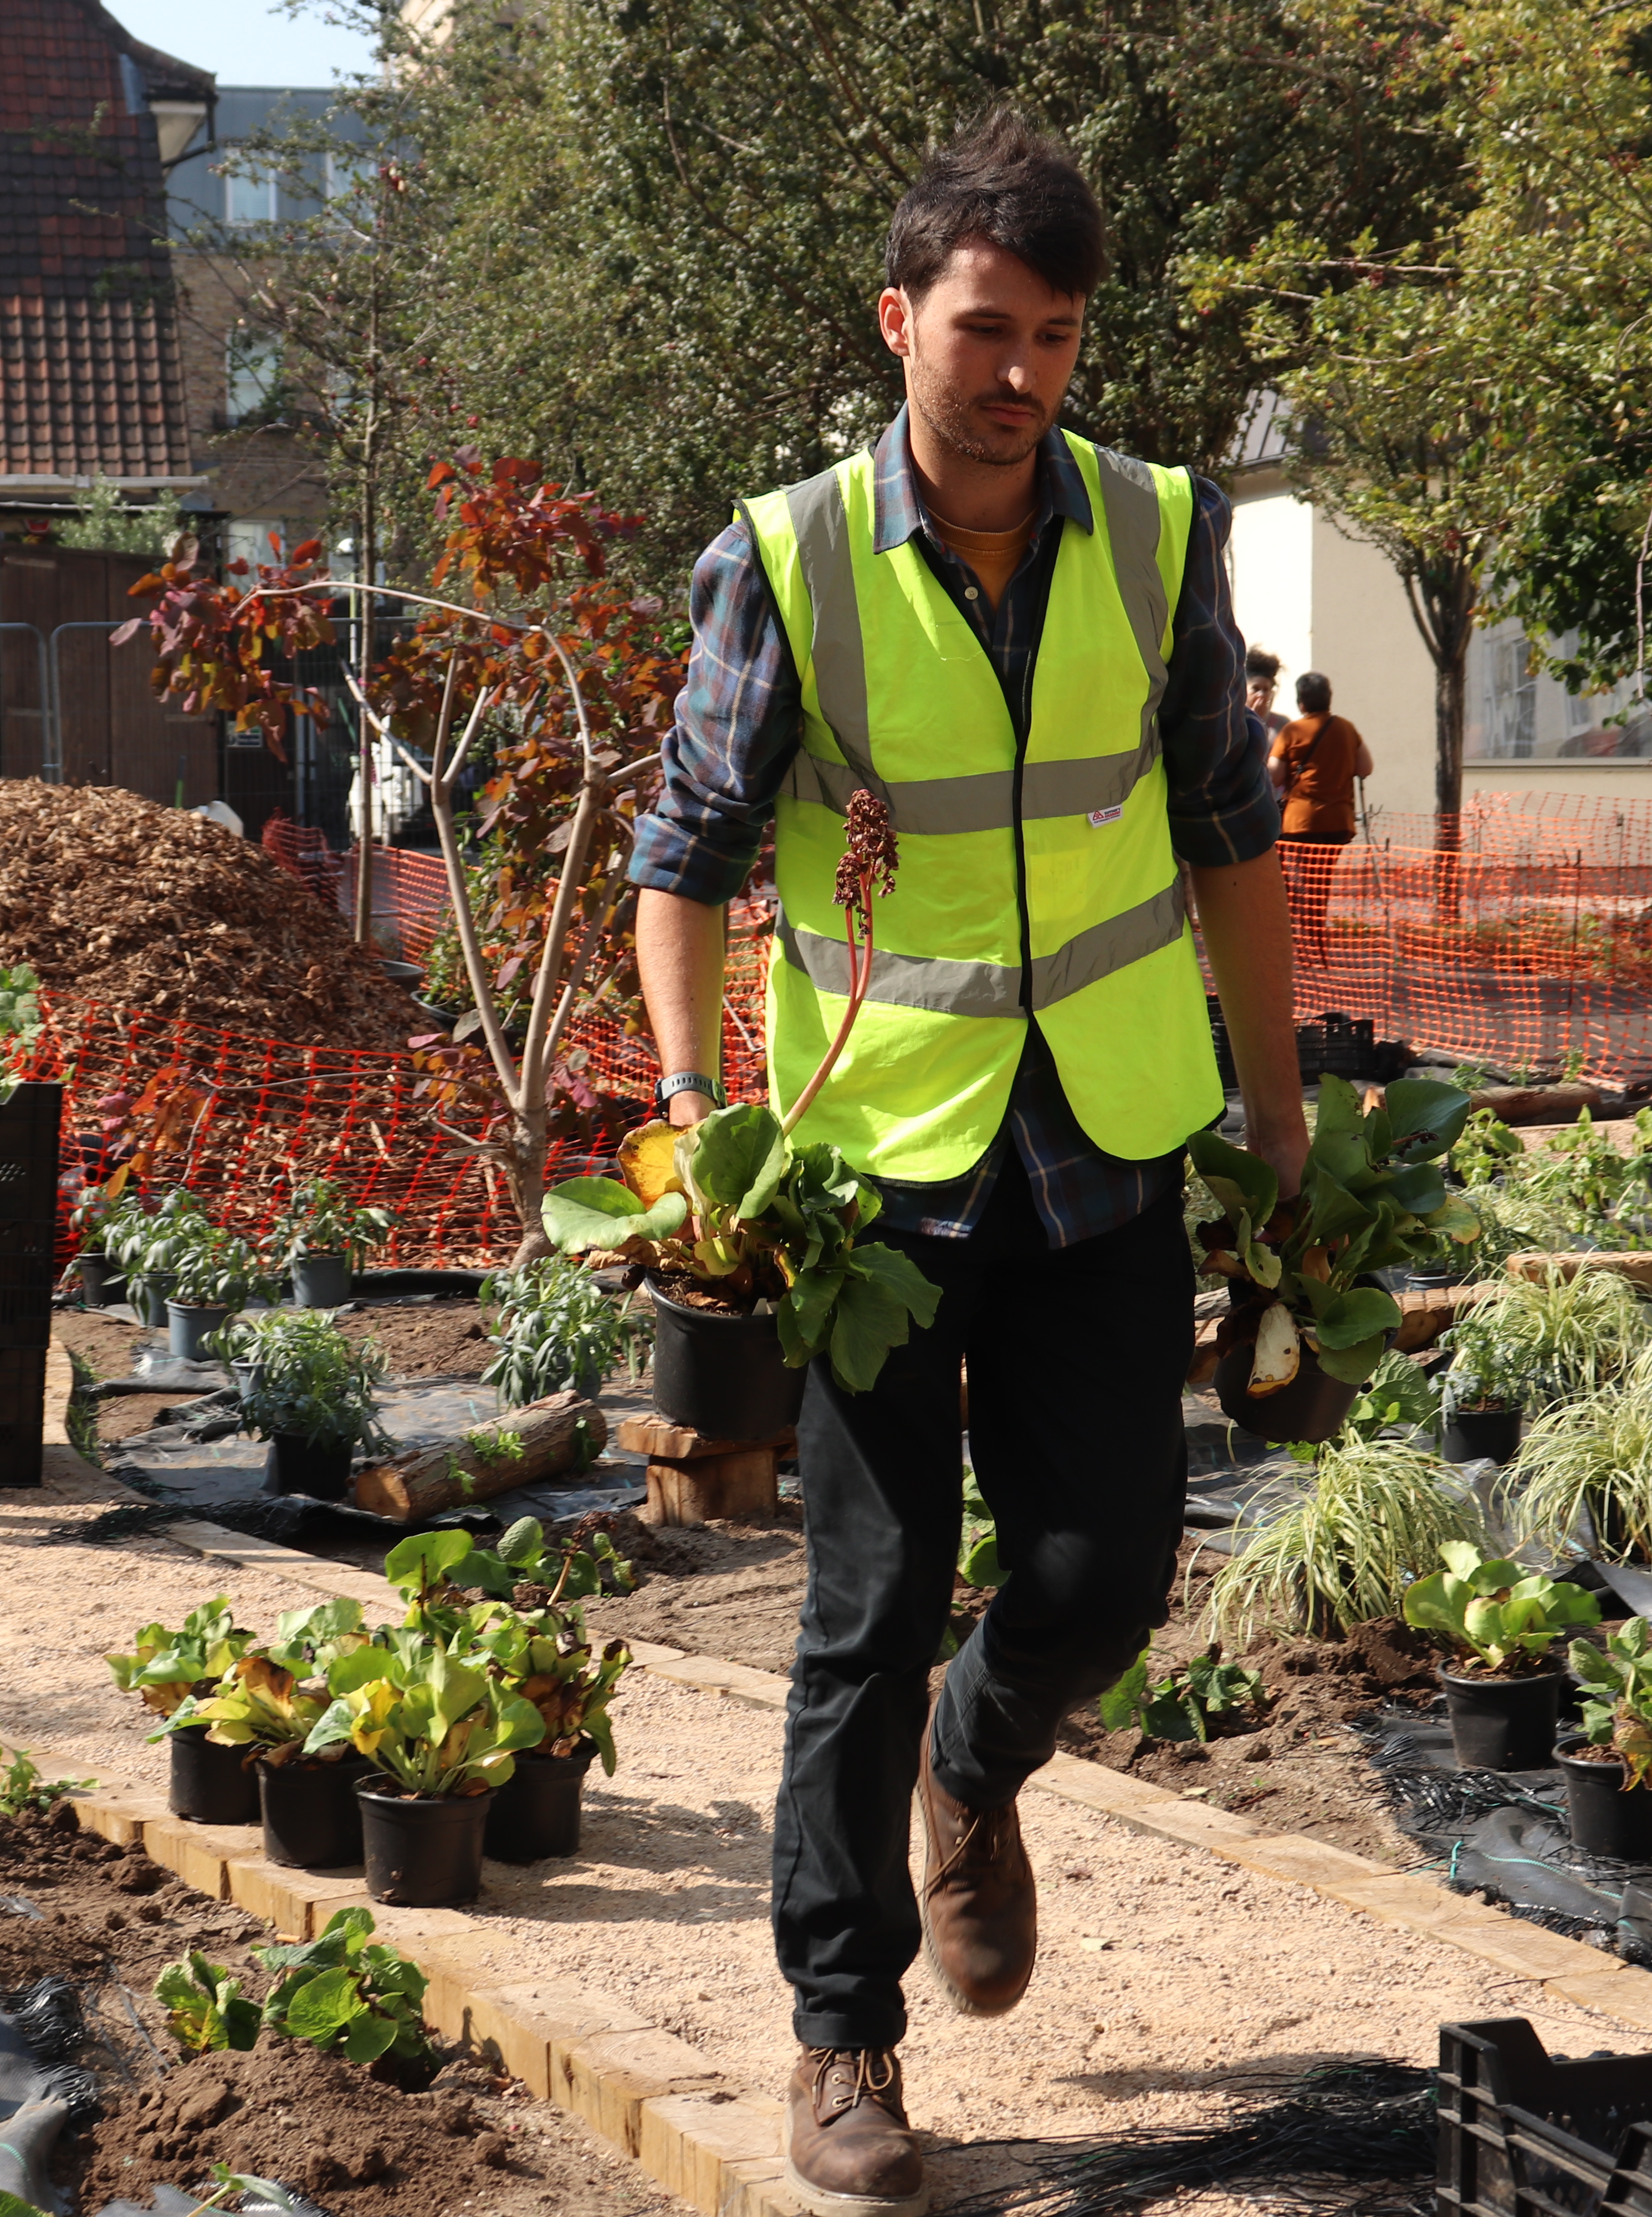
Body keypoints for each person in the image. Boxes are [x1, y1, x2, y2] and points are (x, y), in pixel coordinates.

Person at [627, 114, 1305, 2217]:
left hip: (1101, 1143)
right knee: (868, 1596)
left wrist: (1276, 1124)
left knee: (1104, 1574)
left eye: (1056, 338)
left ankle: (970, 1763)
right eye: (983, 332)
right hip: (870, 1174)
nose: (1017, 376)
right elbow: (685, 858)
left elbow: (1224, 836)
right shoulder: (796, 554)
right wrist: (696, 1139)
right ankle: (842, 2029)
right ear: (898, 321)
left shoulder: (1154, 532)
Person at [1270, 670, 1373, 842]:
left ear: (1301, 703)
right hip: (1339, 822)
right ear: (1329, 699)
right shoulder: (1347, 729)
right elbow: (1365, 768)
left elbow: (1274, 777)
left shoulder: (1292, 731)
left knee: (1300, 870)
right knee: (1325, 869)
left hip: (1301, 821)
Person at [1241, 647, 1282, 758]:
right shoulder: (1234, 721)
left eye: (1266, 690)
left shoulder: (1281, 725)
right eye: (1256, 689)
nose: (1261, 695)